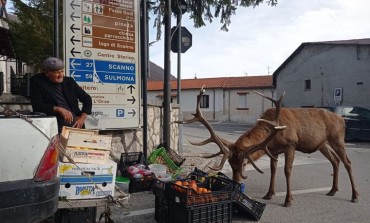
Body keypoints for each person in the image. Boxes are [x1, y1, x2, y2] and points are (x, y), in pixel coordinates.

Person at [30, 57, 92, 133]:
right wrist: (58, 109)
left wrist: (82, 119)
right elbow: (37, 106)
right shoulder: (37, 81)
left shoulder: (69, 81)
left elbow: (87, 99)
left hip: (76, 124)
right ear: (47, 73)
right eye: (57, 72)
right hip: (53, 126)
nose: (61, 75)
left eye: (62, 71)